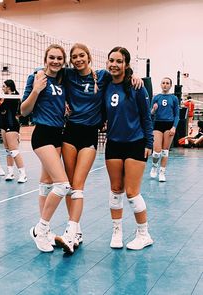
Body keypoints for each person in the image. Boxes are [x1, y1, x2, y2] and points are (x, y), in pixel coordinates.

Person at [54, 43, 143, 254]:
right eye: (74, 56)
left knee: (78, 184)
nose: (78, 59)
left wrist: (136, 76)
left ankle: (71, 231)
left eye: (81, 55)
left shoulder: (102, 76)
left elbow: (121, 73)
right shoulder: (67, 74)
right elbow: (50, 70)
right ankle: (74, 230)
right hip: (70, 132)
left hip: (90, 135)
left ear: (89, 57)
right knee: (68, 185)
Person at [21, 44, 70, 252]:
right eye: (52, 57)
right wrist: (35, 91)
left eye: (60, 58)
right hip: (42, 134)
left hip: (58, 133)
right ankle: (39, 230)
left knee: (47, 183)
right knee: (63, 185)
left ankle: (46, 230)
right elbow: (24, 111)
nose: (56, 61)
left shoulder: (63, 80)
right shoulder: (37, 78)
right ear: (45, 58)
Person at [103, 46, 153, 250]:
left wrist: (149, 143)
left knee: (132, 192)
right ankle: (117, 232)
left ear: (126, 64)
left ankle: (144, 234)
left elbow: (146, 117)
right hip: (113, 143)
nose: (114, 65)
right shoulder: (105, 84)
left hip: (135, 143)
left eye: (118, 61)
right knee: (116, 190)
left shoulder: (137, 87)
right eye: (111, 61)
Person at [0, 79, 27, 183]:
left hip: (12, 125)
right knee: (8, 151)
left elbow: (17, 111)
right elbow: (0, 110)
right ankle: (10, 173)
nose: (2, 88)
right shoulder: (3, 97)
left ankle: (23, 174)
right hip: (3, 125)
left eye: (4, 86)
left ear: (9, 87)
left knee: (14, 151)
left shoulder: (14, 97)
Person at [150, 77, 179, 182]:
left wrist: (174, 127)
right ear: (161, 85)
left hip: (169, 125)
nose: (165, 85)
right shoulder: (156, 97)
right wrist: (153, 109)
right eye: (163, 83)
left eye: (167, 83)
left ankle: (162, 172)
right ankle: (154, 166)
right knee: (157, 152)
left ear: (170, 85)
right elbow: (150, 114)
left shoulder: (174, 98)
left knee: (165, 151)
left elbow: (177, 115)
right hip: (158, 125)